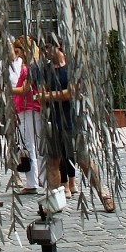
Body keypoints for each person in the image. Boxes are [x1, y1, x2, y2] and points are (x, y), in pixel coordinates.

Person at [36, 35, 115, 212]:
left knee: (83, 159)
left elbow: (70, 94)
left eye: (48, 47)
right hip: (52, 120)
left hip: (73, 119)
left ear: (58, 46)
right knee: (53, 162)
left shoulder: (73, 67)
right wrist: (59, 95)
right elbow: (41, 96)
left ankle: (103, 194)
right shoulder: (44, 70)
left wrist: (52, 95)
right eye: (43, 49)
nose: (46, 51)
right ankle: (53, 202)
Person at [10, 35, 41, 194]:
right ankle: (35, 180)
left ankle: (32, 182)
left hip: (29, 108)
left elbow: (25, 89)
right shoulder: (30, 66)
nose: (18, 55)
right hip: (25, 107)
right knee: (30, 145)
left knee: (30, 145)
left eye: (18, 51)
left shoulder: (31, 67)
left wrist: (5, 90)